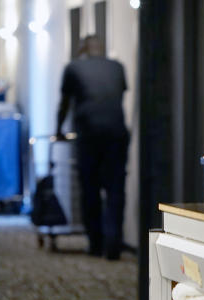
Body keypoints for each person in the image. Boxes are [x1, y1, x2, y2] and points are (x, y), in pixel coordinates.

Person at [56, 35, 130, 259]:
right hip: (117, 134)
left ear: (83, 49)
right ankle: (114, 243)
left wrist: (58, 129)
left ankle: (96, 244)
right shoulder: (117, 67)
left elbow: (65, 103)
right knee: (116, 189)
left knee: (90, 190)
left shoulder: (73, 68)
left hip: (88, 135)